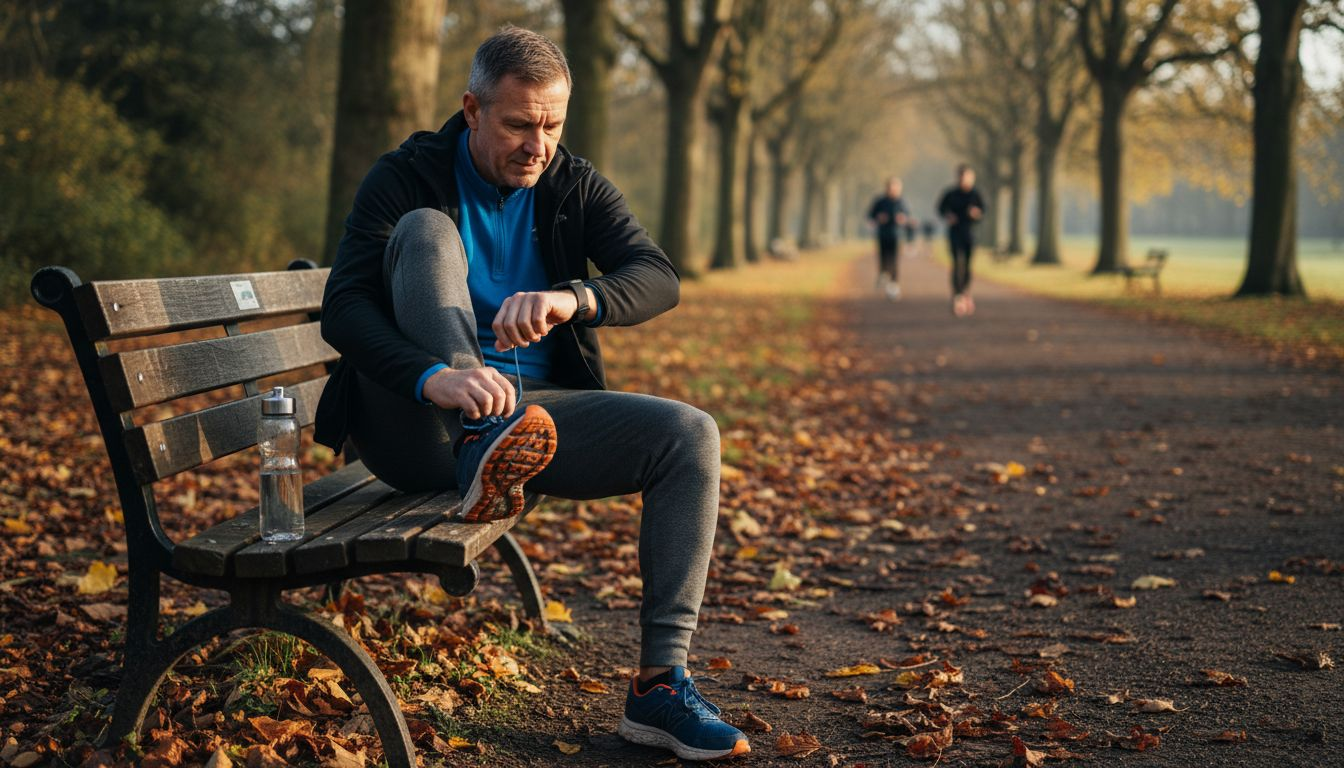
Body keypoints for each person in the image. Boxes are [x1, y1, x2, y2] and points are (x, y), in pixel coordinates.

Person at [314, 27, 749, 762]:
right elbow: (344, 305)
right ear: (473, 108)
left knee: (691, 435)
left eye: (551, 125)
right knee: (425, 231)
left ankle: (659, 687)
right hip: (414, 423)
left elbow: (657, 274)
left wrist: (572, 298)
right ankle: (479, 435)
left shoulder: (573, 184)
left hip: (530, 422)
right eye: (518, 124)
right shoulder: (407, 175)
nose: (536, 144)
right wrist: (438, 377)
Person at [936, 164, 987, 317]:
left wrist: (976, 214)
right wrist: (948, 216)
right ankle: (957, 295)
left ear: (972, 178)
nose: (964, 179)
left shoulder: (976, 194)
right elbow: (940, 209)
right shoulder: (950, 194)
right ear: (958, 177)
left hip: (970, 233)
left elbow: (983, 211)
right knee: (957, 263)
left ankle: (965, 292)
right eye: (962, 176)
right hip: (954, 233)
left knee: (968, 265)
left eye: (967, 176)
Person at [866, 177, 910, 299]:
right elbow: (870, 215)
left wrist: (902, 219)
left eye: (896, 187)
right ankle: (883, 274)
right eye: (891, 187)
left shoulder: (902, 202)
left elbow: (907, 217)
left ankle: (894, 286)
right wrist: (878, 218)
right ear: (887, 188)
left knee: (894, 260)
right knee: (883, 257)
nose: (893, 189)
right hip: (882, 234)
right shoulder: (880, 202)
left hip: (896, 235)